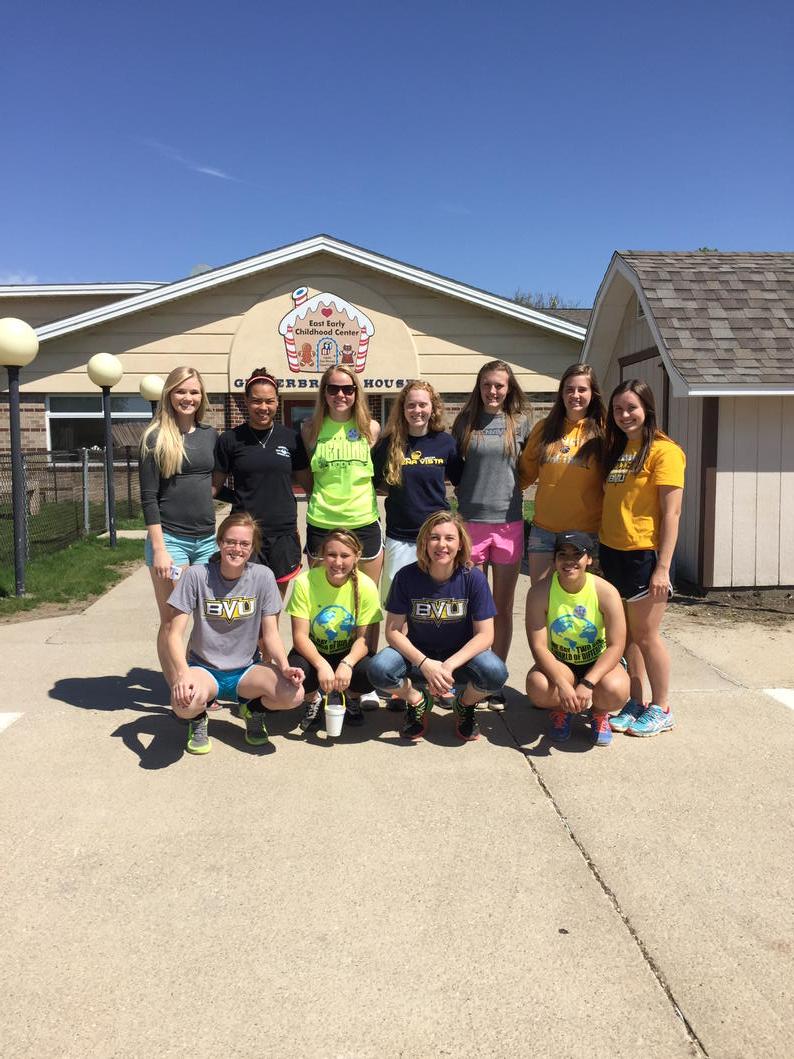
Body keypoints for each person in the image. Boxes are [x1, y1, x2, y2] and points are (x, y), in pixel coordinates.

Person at [164, 512, 304, 755]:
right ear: (220, 542)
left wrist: (284, 666)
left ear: (252, 548)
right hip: (204, 668)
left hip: (246, 670)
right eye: (230, 541)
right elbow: (173, 633)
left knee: (294, 694)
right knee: (181, 704)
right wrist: (182, 674)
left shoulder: (263, 576)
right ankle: (197, 718)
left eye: (244, 544)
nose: (236, 548)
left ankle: (254, 711)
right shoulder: (197, 575)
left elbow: (270, 634)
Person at [368, 512, 508, 743]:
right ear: (424, 541)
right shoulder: (407, 576)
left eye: (449, 538)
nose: (441, 545)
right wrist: (425, 664)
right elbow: (392, 631)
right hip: (418, 656)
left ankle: (464, 704)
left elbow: (486, 635)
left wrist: (448, 666)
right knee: (379, 670)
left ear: (460, 543)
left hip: (459, 659)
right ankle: (416, 700)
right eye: (434, 537)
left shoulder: (473, 578)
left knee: (496, 673)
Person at [599, 380, 685, 737]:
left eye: (631, 408)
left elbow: (672, 515)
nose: (624, 415)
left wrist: (662, 568)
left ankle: (661, 707)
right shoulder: (621, 449)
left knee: (647, 636)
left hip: (644, 556)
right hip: (613, 553)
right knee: (629, 636)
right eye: (618, 409)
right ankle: (636, 700)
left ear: (647, 408)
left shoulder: (665, 452)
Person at [452, 360, 530, 709]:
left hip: (509, 524)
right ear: (478, 387)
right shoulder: (465, 422)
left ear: (509, 387)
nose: (493, 391)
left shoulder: (521, 422)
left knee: (501, 607)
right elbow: (454, 467)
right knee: (473, 609)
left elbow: (528, 468)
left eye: (499, 385)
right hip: (471, 524)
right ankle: (472, 674)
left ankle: (494, 679)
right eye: (487, 385)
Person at [139, 366, 218, 684]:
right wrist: (159, 550)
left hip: (207, 541)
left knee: (205, 616)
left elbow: (214, 483)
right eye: (181, 391)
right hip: (171, 542)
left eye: (194, 392)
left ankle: (196, 678)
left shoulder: (210, 435)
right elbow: (148, 499)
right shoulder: (154, 437)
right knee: (174, 619)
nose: (188, 398)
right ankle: (179, 687)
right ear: (169, 395)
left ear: (202, 396)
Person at [525, 532, 630, 746]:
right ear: (554, 560)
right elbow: (539, 646)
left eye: (577, 555)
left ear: (589, 559)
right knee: (537, 685)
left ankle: (599, 714)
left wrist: (588, 683)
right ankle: (561, 710)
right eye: (562, 554)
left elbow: (616, 645)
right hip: (561, 663)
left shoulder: (606, 591)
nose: (569, 561)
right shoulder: (539, 592)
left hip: (598, 662)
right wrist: (563, 684)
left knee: (617, 689)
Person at [214, 366, 311, 598]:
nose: (263, 408)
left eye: (269, 401)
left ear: (277, 402)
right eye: (257, 401)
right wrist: (237, 499)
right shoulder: (230, 440)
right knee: (244, 599)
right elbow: (214, 487)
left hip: (283, 532)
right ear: (246, 402)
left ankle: (268, 636)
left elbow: (310, 486)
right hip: (245, 532)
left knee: (273, 602)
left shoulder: (291, 438)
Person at [372, 380, 463, 603]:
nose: (417, 411)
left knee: (435, 603)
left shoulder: (445, 443)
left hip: (436, 537)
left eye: (423, 405)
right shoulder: (389, 443)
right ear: (402, 409)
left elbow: (460, 481)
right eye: (411, 405)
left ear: (433, 408)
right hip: (400, 536)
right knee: (398, 604)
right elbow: (374, 482)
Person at [286, 529, 382, 733]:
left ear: (357, 557)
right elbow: (299, 636)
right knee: (297, 669)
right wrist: (321, 664)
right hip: (314, 651)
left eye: (345, 555)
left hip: (347, 652)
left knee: (370, 671)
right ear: (323, 554)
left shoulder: (366, 586)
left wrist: (347, 663)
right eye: (332, 554)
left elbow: (364, 640)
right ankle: (313, 699)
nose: (337, 562)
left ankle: (352, 697)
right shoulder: (305, 582)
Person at [518, 363, 606, 584]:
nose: (575, 395)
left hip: (587, 534)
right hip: (544, 533)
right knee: (542, 598)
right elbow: (523, 475)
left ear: (593, 394)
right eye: (569, 389)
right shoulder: (544, 429)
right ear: (561, 394)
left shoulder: (604, 432)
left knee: (582, 605)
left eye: (581, 390)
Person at [301, 364, 383, 582]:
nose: (340, 395)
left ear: (356, 392)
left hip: (363, 521)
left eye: (348, 389)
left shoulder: (371, 428)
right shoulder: (310, 429)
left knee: (366, 598)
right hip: (322, 522)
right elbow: (308, 475)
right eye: (333, 389)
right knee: (323, 598)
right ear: (324, 392)